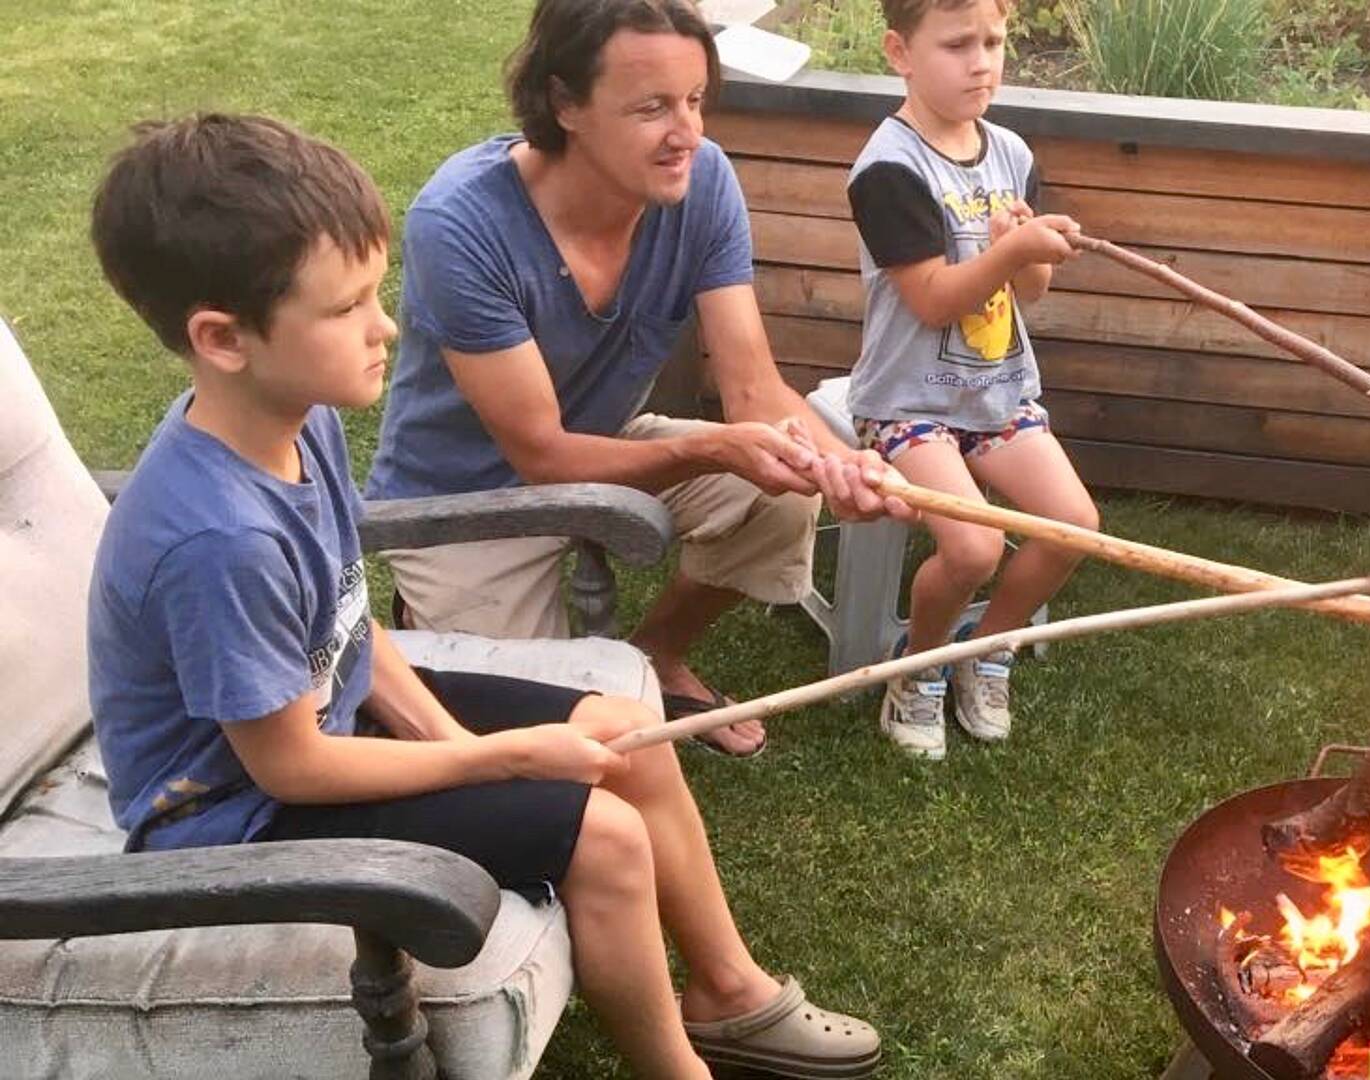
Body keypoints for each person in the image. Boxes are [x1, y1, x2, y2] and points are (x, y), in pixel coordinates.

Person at [86, 113, 881, 1080]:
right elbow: (291, 770)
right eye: (345, 309)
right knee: (606, 835)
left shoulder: (295, 420)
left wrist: (459, 749)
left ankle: (727, 991)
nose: (386, 326)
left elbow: (344, 625)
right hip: (230, 821)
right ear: (223, 338)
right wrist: (499, 758)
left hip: (319, 737)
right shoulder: (218, 537)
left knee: (626, 732)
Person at [364, 0, 904, 758]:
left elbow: (754, 391)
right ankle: (433, 634)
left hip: (606, 441)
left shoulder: (702, 181)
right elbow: (542, 459)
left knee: (778, 497)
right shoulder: (461, 223)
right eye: (653, 107)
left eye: (695, 100)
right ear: (564, 104)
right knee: (547, 739)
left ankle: (656, 652)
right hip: (463, 497)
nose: (688, 133)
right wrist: (715, 449)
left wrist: (838, 463)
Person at [847, 0, 1100, 760]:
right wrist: (1007, 248)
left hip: (995, 394)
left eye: (993, 42)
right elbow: (929, 302)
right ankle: (917, 670)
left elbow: (1030, 294)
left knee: (1073, 527)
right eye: (957, 44)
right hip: (908, 401)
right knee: (972, 551)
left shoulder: (1012, 153)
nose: (981, 61)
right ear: (901, 51)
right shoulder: (888, 169)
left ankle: (984, 651)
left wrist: (1025, 253)